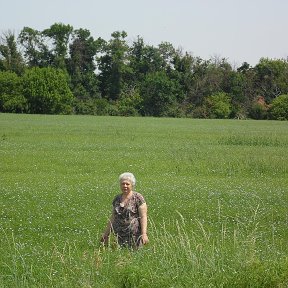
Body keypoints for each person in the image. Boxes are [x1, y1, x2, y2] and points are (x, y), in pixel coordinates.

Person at [101, 172, 149, 248]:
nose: (125, 186)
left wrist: (144, 234)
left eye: (127, 184)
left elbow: (143, 217)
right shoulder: (117, 199)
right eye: (123, 184)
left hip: (134, 236)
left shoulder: (138, 198)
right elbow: (113, 217)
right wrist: (106, 234)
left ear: (132, 185)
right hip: (118, 236)